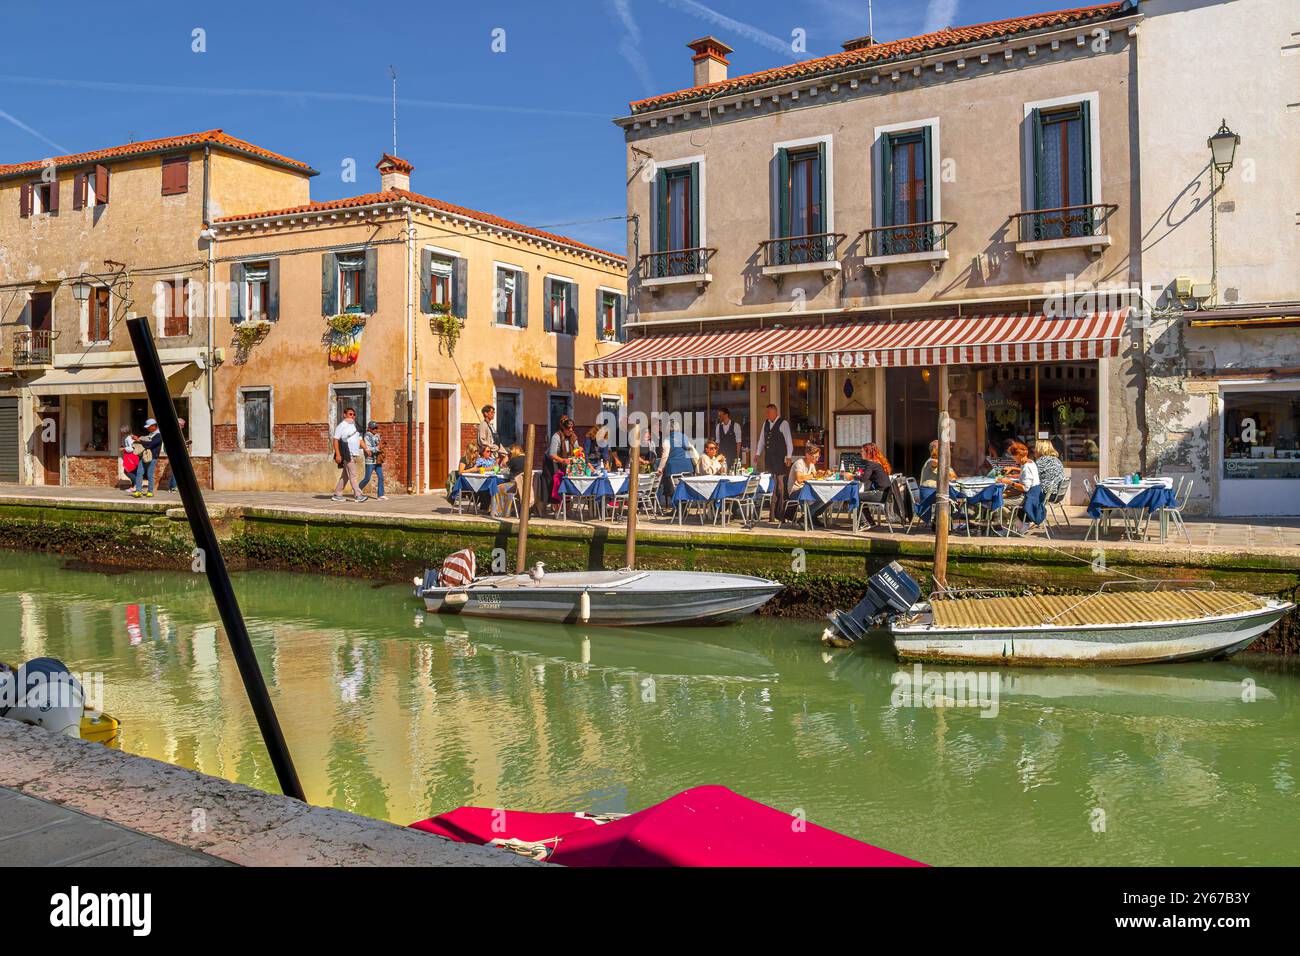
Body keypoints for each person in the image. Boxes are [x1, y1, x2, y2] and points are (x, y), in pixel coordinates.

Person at [754, 403, 793, 521]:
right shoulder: (765, 423)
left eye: (769, 412)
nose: (767, 414)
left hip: (780, 459)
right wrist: (757, 453)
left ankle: (781, 513)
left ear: (775, 412)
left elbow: (788, 441)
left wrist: (789, 456)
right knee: (773, 486)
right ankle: (773, 514)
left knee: (781, 485)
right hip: (770, 459)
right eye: (767, 412)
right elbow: (762, 440)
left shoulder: (783, 423)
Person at [654, 417, 701, 503]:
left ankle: (678, 508)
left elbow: (665, 456)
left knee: (671, 488)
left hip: (673, 470)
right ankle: (682, 508)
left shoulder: (667, 440)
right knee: (684, 488)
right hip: (688, 468)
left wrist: (660, 469)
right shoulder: (684, 437)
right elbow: (690, 451)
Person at [542, 417, 579, 516]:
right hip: (552, 462)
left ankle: (567, 508)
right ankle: (556, 507)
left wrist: (579, 452)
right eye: (568, 429)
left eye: (572, 429)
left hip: (566, 462)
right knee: (555, 483)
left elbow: (576, 451)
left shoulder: (573, 437)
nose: (570, 431)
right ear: (564, 429)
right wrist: (562, 460)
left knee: (567, 482)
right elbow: (552, 454)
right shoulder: (556, 436)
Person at [787, 443, 830, 525]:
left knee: (828, 497)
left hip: (806, 490)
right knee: (822, 497)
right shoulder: (799, 463)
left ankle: (811, 516)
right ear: (808, 455)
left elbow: (815, 477)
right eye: (816, 457)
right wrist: (814, 475)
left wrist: (823, 474)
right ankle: (807, 517)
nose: (817, 459)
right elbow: (799, 479)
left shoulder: (811, 465)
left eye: (818, 457)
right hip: (795, 491)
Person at [331, 407, 367, 503]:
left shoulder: (355, 426)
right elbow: (335, 440)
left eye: (354, 414)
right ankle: (358, 495)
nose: (353, 416)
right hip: (347, 453)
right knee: (353, 474)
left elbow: (360, 440)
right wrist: (338, 454)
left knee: (346, 475)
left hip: (354, 453)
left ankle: (337, 494)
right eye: (350, 414)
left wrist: (366, 448)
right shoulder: (341, 426)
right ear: (345, 415)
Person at [131, 419, 163, 498]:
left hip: (153, 457)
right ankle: (138, 491)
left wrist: (139, 440)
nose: (147, 428)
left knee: (149, 474)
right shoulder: (150, 434)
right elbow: (146, 443)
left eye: (148, 427)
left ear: (153, 426)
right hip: (144, 455)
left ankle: (150, 491)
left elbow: (150, 445)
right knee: (139, 473)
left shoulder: (159, 435)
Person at [358, 420, 387, 500]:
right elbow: (367, 448)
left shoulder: (378, 435)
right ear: (369, 428)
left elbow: (379, 444)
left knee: (381, 477)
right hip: (370, 460)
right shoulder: (367, 436)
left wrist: (382, 445)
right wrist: (377, 448)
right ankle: (357, 490)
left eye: (376, 428)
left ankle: (380, 495)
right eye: (373, 428)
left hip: (378, 460)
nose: (375, 429)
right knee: (367, 478)